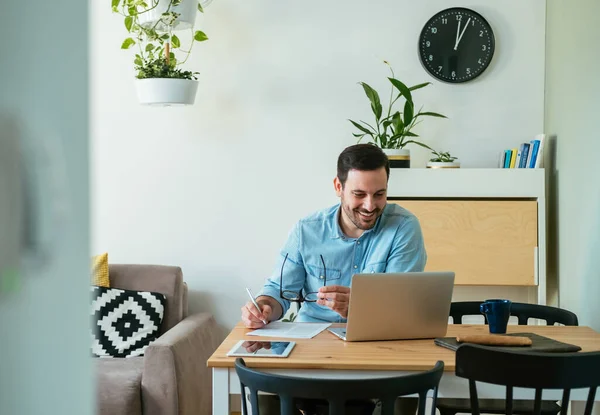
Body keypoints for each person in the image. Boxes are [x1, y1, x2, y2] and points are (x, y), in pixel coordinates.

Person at [240, 143, 426, 414]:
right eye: (359, 194)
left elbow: (402, 309)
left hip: (377, 355)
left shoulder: (403, 228)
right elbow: (278, 291)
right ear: (338, 187)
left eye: (380, 194)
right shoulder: (307, 230)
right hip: (310, 354)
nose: (370, 205)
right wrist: (264, 307)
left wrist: (360, 308)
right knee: (260, 383)